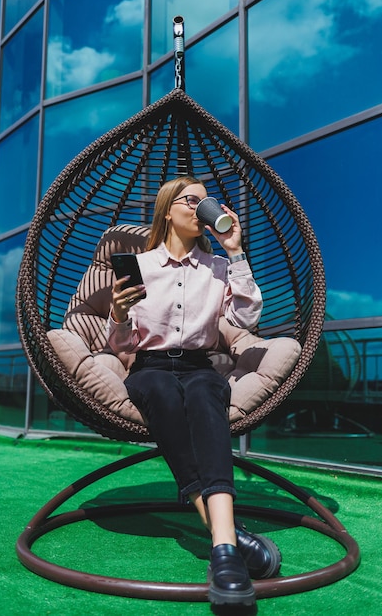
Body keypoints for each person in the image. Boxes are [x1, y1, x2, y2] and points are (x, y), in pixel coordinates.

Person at [105, 176, 280, 608]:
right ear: (168, 210)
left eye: (209, 203)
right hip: (149, 367)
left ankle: (221, 549)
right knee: (162, 392)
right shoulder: (139, 267)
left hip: (200, 366)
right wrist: (119, 316)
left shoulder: (218, 269)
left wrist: (235, 251)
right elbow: (123, 350)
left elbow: (246, 317)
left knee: (205, 395)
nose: (205, 209)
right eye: (193, 201)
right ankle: (230, 540)